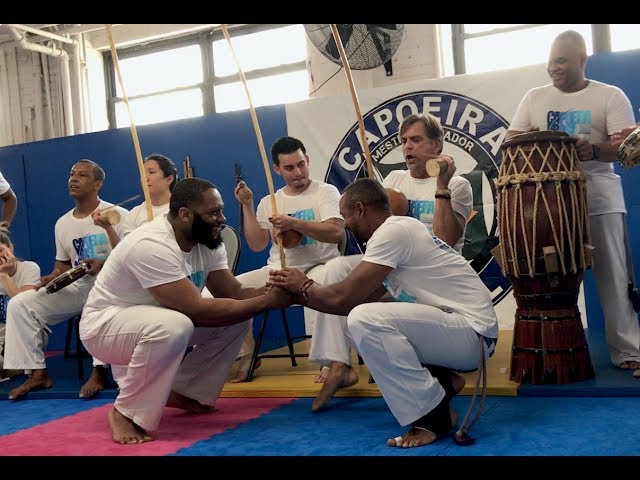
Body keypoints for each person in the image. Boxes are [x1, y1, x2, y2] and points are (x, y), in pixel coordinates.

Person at [270, 178, 498, 448]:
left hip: (473, 334)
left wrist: (303, 284)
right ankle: (443, 381)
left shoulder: (392, 233)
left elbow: (344, 297)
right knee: (356, 322)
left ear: (360, 209)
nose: (345, 225)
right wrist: (295, 296)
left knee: (364, 319)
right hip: (464, 333)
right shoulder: (399, 230)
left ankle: (434, 416)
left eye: (345, 216)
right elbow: (347, 303)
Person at [79, 178, 293, 444]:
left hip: (155, 319)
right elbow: (196, 309)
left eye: (221, 210)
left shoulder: (207, 240)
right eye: (213, 212)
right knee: (175, 325)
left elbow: (234, 295)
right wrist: (268, 301)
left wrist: (287, 290)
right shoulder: (151, 243)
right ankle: (125, 413)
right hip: (105, 327)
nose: (221, 219)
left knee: (236, 316)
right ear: (185, 215)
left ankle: (186, 392)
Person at [506, 30, 640, 372]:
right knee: (549, 278)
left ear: (583, 60)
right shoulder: (534, 97)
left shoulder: (610, 95)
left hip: (599, 197)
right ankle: (554, 349)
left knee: (613, 276)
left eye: (562, 61)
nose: (554, 68)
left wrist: (594, 150)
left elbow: (627, 149)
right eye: (551, 62)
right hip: (549, 204)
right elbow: (511, 141)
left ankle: (629, 352)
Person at [207, 136, 344, 383]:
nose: (298, 172)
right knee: (230, 289)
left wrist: (294, 222)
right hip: (277, 269)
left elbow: (335, 232)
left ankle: (331, 362)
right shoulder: (268, 202)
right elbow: (257, 243)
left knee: (327, 283)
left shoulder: (326, 192)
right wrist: (247, 205)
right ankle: (247, 354)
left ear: (308, 160)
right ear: (277, 169)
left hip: (320, 266)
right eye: (290, 168)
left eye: (301, 164)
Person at [3, 159, 129, 399]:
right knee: (21, 304)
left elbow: (129, 256)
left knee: (97, 298)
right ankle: (38, 374)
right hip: (77, 288)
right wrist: (52, 277)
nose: (73, 179)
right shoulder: (62, 223)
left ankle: (100, 371)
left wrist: (102, 264)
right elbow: (62, 266)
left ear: (98, 184)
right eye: (72, 174)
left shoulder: (118, 214)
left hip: (112, 289)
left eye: (82, 175)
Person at [383, 113, 473, 253]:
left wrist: (442, 186)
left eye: (416, 140)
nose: (407, 146)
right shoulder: (393, 179)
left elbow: (445, 241)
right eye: (403, 141)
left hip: (441, 272)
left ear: (436, 145)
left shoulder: (457, 185)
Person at [92, 153, 178, 246]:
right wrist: (108, 228)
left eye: (151, 172)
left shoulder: (181, 211)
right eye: (142, 174)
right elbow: (126, 252)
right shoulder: (134, 214)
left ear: (169, 179)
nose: (145, 178)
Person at [0, 225, 41, 382]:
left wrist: (4, 276)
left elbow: (24, 305)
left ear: (11, 247)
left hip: (25, 334)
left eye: (1, 251)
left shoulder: (29, 268)